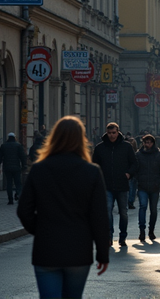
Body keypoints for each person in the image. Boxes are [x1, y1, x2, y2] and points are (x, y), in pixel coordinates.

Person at [16, 116, 109, 299]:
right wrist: (102, 254)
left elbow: (24, 210)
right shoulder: (92, 171)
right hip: (79, 250)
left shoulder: (39, 169)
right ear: (81, 139)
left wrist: (40, 229)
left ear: (54, 138)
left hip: (46, 248)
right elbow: (99, 217)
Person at [91, 123, 138, 247]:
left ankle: (123, 236)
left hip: (122, 185)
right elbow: (94, 165)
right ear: (106, 133)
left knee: (123, 212)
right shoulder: (100, 148)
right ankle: (109, 237)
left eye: (114, 133)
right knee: (107, 211)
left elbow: (134, 163)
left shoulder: (126, 147)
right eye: (109, 133)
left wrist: (129, 174)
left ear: (118, 132)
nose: (112, 135)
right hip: (106, 185)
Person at [134, 134, 160, 243]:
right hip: (142, 186)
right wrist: (137, 179)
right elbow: (135, 168)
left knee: (153, 210)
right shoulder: (138, 155)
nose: (147, 144)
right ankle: (142, 230)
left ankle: (151, 230)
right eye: (145, 142)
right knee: (143, 206)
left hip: (155, 187)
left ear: (153, 143)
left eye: (149, 142)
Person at [0, 132, 27, 205]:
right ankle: (18, 193)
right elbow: (23, 157)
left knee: (9, 183)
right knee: (18, 183)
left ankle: (10, 200)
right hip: (16, 168)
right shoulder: (18, 145)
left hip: (7, 168)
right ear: (14, 138)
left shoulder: (4, 146)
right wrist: (24, 165)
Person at [126, 136, 139, 210]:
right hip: (130, 172)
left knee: (131, 188)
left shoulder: (134, 153)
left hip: (131, 172)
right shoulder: (136, 153)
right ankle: (130, 202)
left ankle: (129, 201)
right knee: (131, 188)